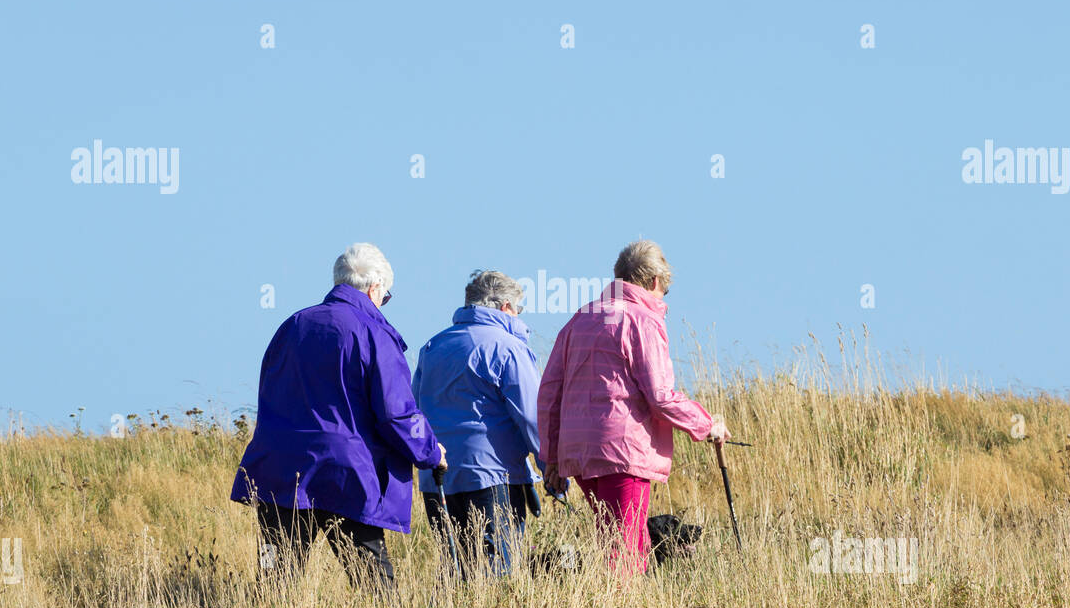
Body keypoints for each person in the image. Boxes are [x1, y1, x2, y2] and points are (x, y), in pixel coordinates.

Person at [230, 243, 444, 590]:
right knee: (374, 580)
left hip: (278, 469)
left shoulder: (292, 326)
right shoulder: (375, 334)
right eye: (385, 297)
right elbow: (397, 413)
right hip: (346, 474)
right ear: (375, 288)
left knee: (273, 575)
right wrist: (431, 451)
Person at [538, 240, 730, 574]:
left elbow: (549, 393)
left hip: (579, 452)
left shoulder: (581, 318)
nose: (662, 299)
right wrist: (706, 424)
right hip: (622, 450)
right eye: (665, 292)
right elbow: (660, 395)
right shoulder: (643, 320)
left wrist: (552, 456)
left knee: (622, 540)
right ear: (655, 281)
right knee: (623, 550)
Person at [413, 270, 545, 579]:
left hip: (438, 477)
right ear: (504, 308)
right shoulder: (508, 347)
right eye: (519, 309)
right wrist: (551, 467)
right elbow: (532, 415)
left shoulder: (432, 347)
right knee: (497, 572)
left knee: (455, 569)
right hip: (492, 475)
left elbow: (415, 409)